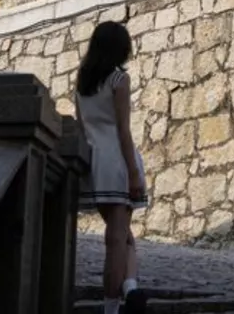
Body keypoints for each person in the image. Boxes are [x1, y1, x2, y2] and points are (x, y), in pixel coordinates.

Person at [76, 21, 149, 314]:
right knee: (117, 239)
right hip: (117, 161)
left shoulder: (82, 81)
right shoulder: (119, 79)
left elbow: (81, 127)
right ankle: (112, 307)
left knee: (120, 234)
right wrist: (133, 172)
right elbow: (123, 130)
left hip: (94, 162)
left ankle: (131, 287)